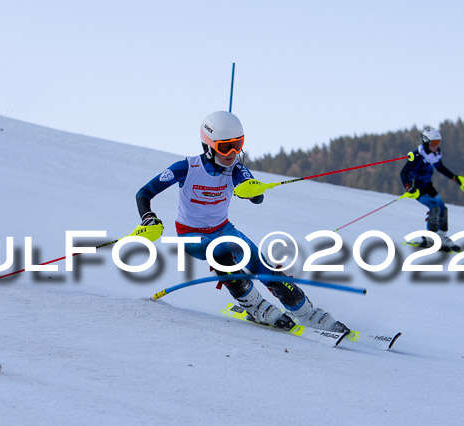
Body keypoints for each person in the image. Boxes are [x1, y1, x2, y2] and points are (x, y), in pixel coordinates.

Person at [135, 111, 349, 333]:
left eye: (238, 144)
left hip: (224, 229)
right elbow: (144, 193)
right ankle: (255, 306)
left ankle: (306, 312)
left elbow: (258, 197)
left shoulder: (236, 169)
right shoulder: (187, 167)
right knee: (221, 254)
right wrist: (148, 217)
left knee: (263, 266)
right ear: (208, 145)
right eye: (226, 147)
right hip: (191, 236)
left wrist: (251, 191)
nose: (233, 153)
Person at [400, 128, 464, 252]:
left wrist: (454, 177)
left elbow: (440, 167)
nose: (436, 146)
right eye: (433, 143)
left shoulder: (434, 155)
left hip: (428, 186)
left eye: (438, 143)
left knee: (443, 208)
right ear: (426, 142)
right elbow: (403, 173)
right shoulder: (417, 156)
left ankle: (442, 238)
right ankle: (431, 239)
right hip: (416, 189)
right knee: (434, 208)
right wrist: (408, 187)